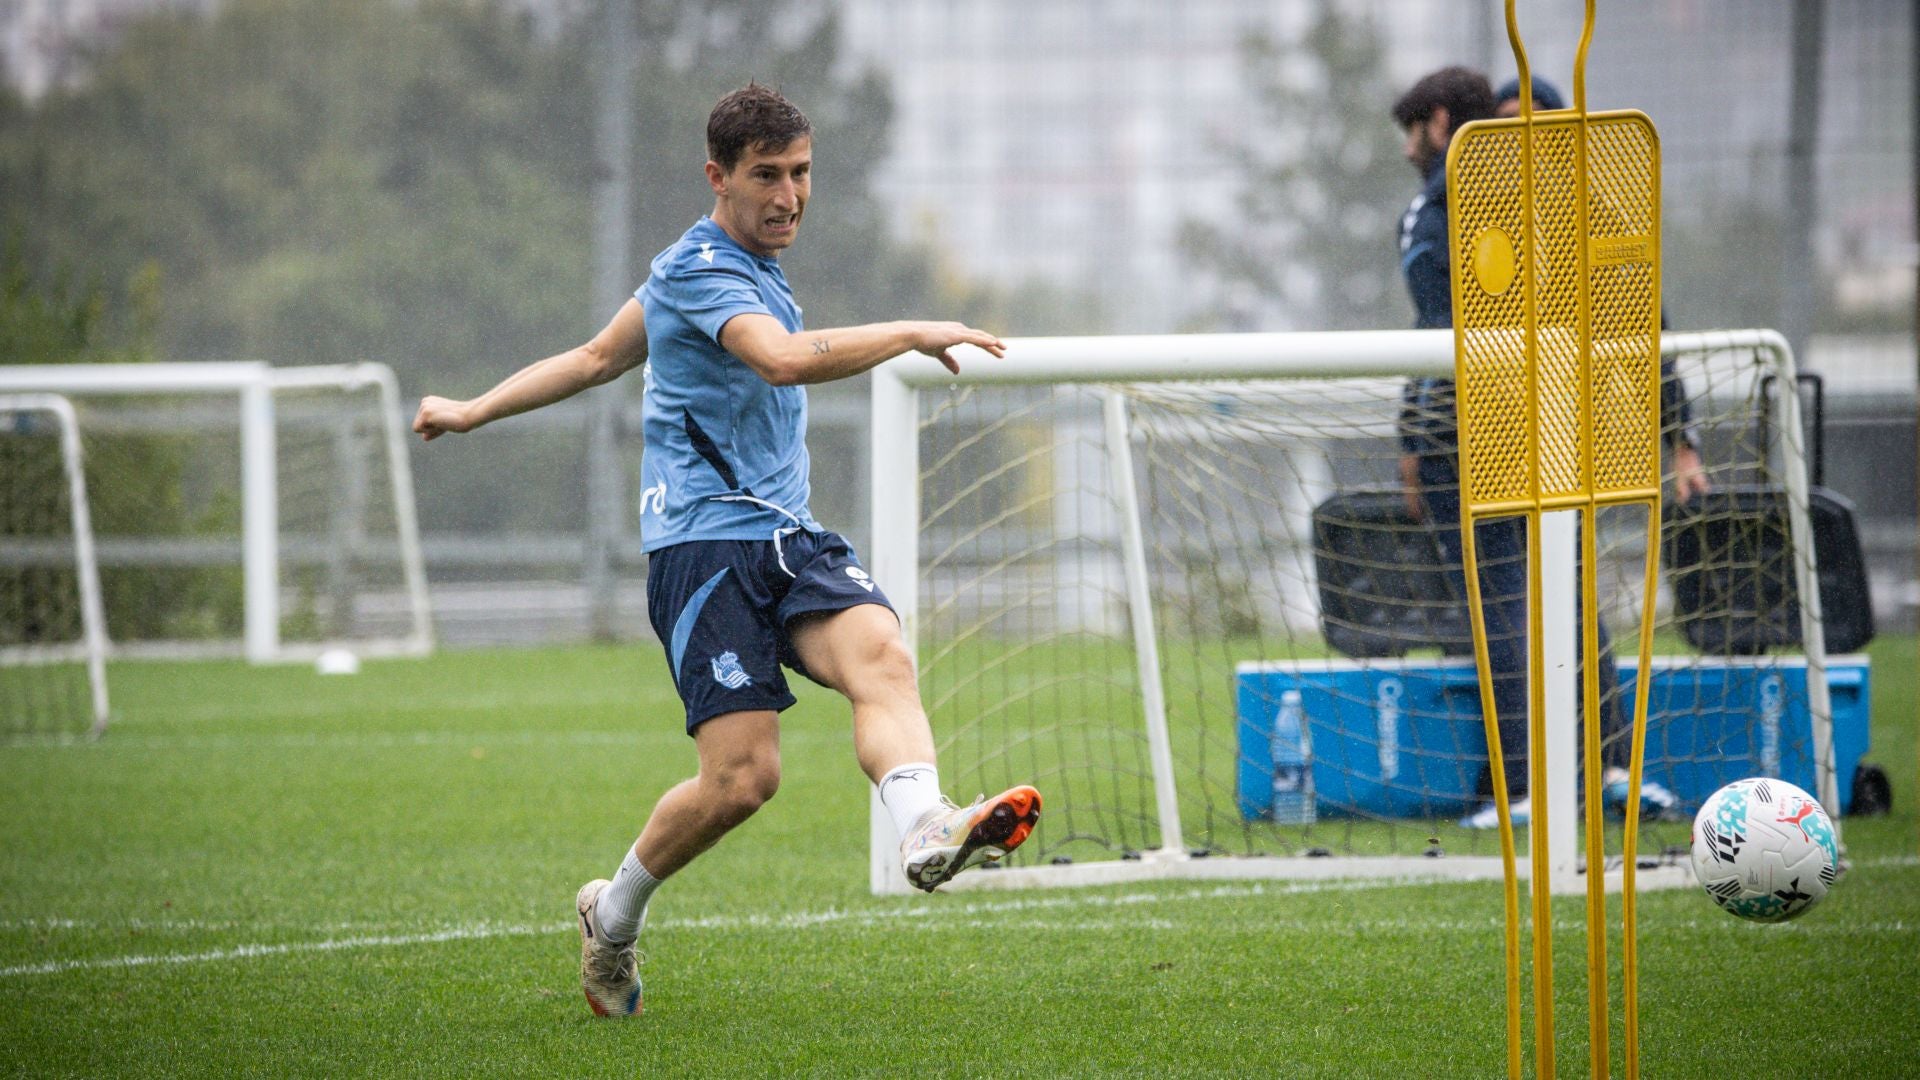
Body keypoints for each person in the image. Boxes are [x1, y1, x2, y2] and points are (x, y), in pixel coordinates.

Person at [412, 83, 1041, 1018]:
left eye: (801, 173)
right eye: (767, 177)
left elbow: (590, 359)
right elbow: (771, 358)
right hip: (701, 549)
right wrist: (911, 327)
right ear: (718, 177)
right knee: (744, 780)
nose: (789, 195)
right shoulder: (696, 271)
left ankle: (924, 828)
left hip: (786, 535)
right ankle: (612, 915)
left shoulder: (747, 266)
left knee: (883, 653)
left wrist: (470, 408)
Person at [1391, 69, 1695, 829]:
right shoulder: (1462, 202)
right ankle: (1532, 782)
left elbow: (1637, 306)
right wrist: (1410, 431)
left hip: (1536, 426)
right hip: (1473, 428)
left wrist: (1678, 436)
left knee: (1557, 598)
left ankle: (1588, 775)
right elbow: (1437, 334)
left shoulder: (1540, 205)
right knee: (1512, 608)